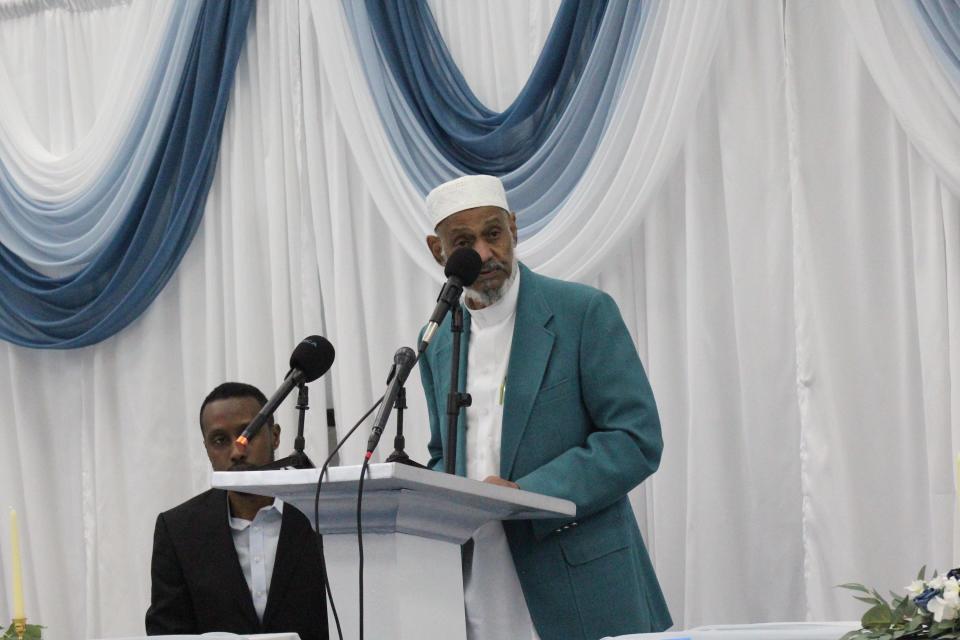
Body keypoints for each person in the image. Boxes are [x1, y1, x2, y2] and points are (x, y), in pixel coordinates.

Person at [418, 175, 672, 640]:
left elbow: (635, 439)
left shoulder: (582, 311)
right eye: (464, 242)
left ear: (513, 228)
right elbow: (443, 452)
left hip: (575, 577)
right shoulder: (435, 341)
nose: (485, 253)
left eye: (493, 233)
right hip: (476, 582)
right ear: (439, 251)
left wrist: (522, 495)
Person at [145, 382, 328, 639]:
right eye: (220, 440)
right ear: (207, 449)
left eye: (248, 434)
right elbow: (167, 631)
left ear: (275, 435)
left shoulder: (322, 516)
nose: (236, 451)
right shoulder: (178, 530)